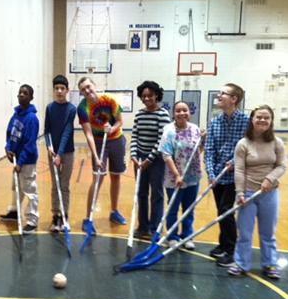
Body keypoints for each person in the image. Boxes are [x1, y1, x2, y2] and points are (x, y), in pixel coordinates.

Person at [228, 105, 287, 279]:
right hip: (247, 193)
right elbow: (239, 170)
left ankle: (269, 264)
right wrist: (239, 193)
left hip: (269, 194)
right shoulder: (243, 144)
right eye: (258, 117)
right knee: (245, 233)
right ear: (252, 120)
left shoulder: (277, 142)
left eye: (266, 117)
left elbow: (282, 165)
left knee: (268, 233)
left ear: (271, 121)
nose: (262, 120)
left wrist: (270, 179)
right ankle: (241, 263)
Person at [204, 83, 249, 267]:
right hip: (218, 176)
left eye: (223, 93)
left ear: (234, 99)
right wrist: (211, 173)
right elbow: (209, 150)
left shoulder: (246, 122)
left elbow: (249, 149)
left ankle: (231, 250)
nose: (219, 95)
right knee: (221, 211)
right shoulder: (215, 122)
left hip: (235, 176)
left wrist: (236, 162)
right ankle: (223, 244)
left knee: (226, 210)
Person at [77, 77, 128, 229]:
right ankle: (88, 218)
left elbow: (120, 121)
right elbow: (88, 134)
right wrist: (96, 155)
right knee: (98, 179)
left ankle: (114, 211)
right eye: (83, 90)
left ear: (94, 85)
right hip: (99, 143)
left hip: (117, 139)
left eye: (88, 87)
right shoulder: (82, 108)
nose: (87, 91)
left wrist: (112, 128)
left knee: (115, 176)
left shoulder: (110, 100)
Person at [158, 101, 203, 250]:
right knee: (173, 209)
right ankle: (172, 236)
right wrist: (177, 175)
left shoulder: (195, 129)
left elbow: (197, 151)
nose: (182, 113)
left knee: (189, 209)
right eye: (178, 110)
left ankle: (187, 236)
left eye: (185, 110)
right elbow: (166, 155)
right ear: (173, 113)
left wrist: (202, 140)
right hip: (174, 178)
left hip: (192, 177)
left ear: (189, 112)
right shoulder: (169, 130)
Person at [130, 80, 171, 239]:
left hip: (156, 161)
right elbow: (134, 135)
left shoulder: (163, 114)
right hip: (139, 159)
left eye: (150, 95)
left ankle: (155, 229)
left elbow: (162, 140)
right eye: (144, 96)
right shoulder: (139, 114)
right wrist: (134, 155)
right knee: (141, 193)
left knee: (157, 194)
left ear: (156, 96)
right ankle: (142, 227)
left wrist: (149, 160)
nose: (147, 98)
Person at [0, 84, 39, 234]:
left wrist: (21, 162)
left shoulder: (32, 118)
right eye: (20, 93)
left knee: (30, 189)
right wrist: (7, 148)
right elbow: (9, 132)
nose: (22, 95)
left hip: (27, 160)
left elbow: (30, 143)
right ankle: (14, 212)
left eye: (25, 93)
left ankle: (32, 219)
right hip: (16, 158)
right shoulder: (16, 115)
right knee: (16, 187)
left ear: (31, 97)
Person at [44, 75, 76, 232]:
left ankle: (65, 216)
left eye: (62, 88)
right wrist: (49, 147)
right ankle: (55, 216)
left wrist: (60, 154)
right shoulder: (49, 108)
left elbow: (67, 131)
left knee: (64, 185)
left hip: (67, 152)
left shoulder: (71, 109)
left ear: (67, 90)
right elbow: (47, 131)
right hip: (52, 153)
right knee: (55, 185)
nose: (59, 91)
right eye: (56, 88)